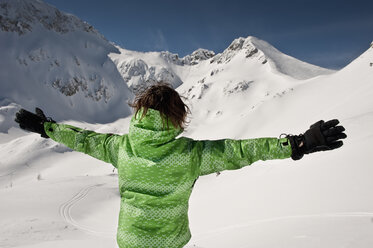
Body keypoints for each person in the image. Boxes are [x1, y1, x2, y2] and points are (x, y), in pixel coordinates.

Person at [14, 82, 346, 248]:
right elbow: (240, 151)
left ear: (140, 113)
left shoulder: (120, 147)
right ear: (176, 118)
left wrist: (48, 127)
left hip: (129, 244)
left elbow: (83, 139)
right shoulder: (189, 155)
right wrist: (297, 143)